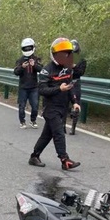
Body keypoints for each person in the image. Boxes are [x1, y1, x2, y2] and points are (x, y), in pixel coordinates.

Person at [28, 38, 80, 170]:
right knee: (59, 133)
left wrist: (75, 102)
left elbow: (70, 87)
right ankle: (64, 160)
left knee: (47, 135)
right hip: (51, 108)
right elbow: (42, 90)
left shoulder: (67, 69)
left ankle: (34, 156)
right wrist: (58, 89)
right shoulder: (46, 71)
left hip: (63, 107)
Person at [14, 37, 42, 129]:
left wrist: (34, 65)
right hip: (23, 87)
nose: (27, 49)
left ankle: (33, 120)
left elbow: (42, 70)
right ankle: (22, 121)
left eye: (29, 48)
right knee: (22, 106)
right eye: (26, 48)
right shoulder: (20, 60)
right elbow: (16, 72)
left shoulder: (36, 59)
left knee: (35, 106)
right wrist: (22, 67)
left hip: (34, 87)